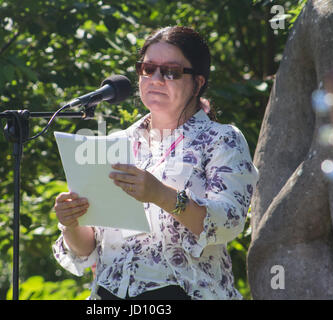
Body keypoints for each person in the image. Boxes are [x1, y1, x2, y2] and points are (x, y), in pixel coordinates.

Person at [52, 26, 259, 300]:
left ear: (198, 82)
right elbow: (88, 248)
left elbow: (229, 223)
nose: (156, 79)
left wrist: (160, 194)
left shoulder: (222, 140)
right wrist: (71, 222)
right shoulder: (115, 142)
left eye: (171, 72)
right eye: (148, 69)